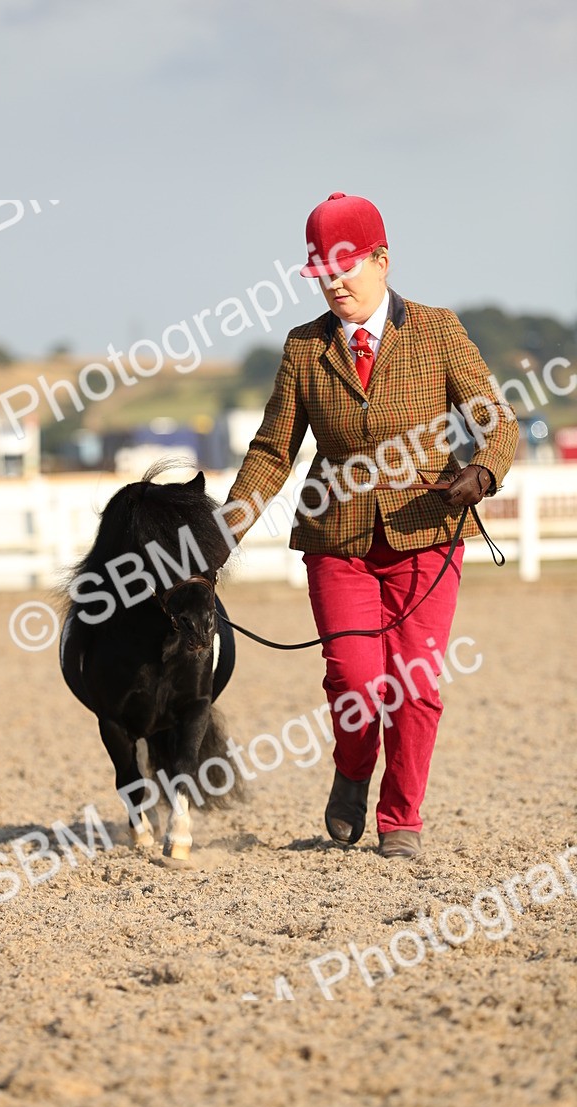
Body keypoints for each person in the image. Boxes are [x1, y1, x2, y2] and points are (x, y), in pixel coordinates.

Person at [222, 192, 519, 858]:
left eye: (346, 267)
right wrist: (222, 532)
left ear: (383, 261)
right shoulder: (305, 348)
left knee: (413, 685)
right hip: (337, 542)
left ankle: (401, 819)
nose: (334, 282)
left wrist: (483, 473)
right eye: (321, 271)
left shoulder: (439, 331)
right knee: (357, 682)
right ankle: (352, 770)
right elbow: (273, 451)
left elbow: (498, 422)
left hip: (427, 533)